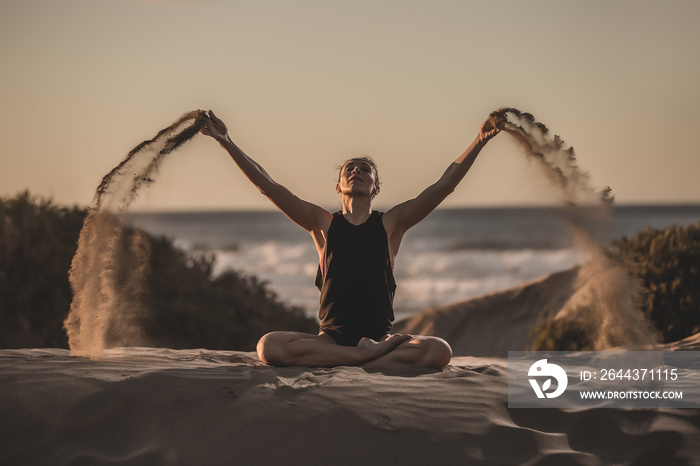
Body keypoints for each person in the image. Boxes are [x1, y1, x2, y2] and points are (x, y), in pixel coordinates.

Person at [200, 109, 503, 369]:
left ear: (376, 188)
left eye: (366, 169)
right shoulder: (322, 224)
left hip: (380, 337)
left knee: (440, 350)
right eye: (350, 169)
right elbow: (268, 185)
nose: (357, 170)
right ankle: (364, 358)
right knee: (268, 346)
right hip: (330, 338)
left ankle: (356, 355)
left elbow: (442, 187)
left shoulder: (390, 224)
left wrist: (479, 140)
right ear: (338, 186)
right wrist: (227, 142)